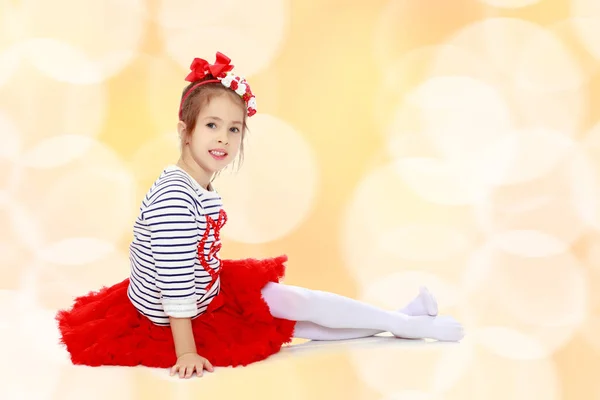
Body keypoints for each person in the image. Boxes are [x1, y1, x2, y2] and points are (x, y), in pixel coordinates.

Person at [56, 52, 464, 380]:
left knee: (298, 305)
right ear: (186, 131)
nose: (223, 137)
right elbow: (174, 283)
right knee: (296, 322)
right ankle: (407, 324)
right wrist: (186, 352)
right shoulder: (174, 199)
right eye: (212, 125)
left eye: (234, 129)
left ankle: (402, 320)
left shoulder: (194, 181)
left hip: (207, 291)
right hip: (175, 319)